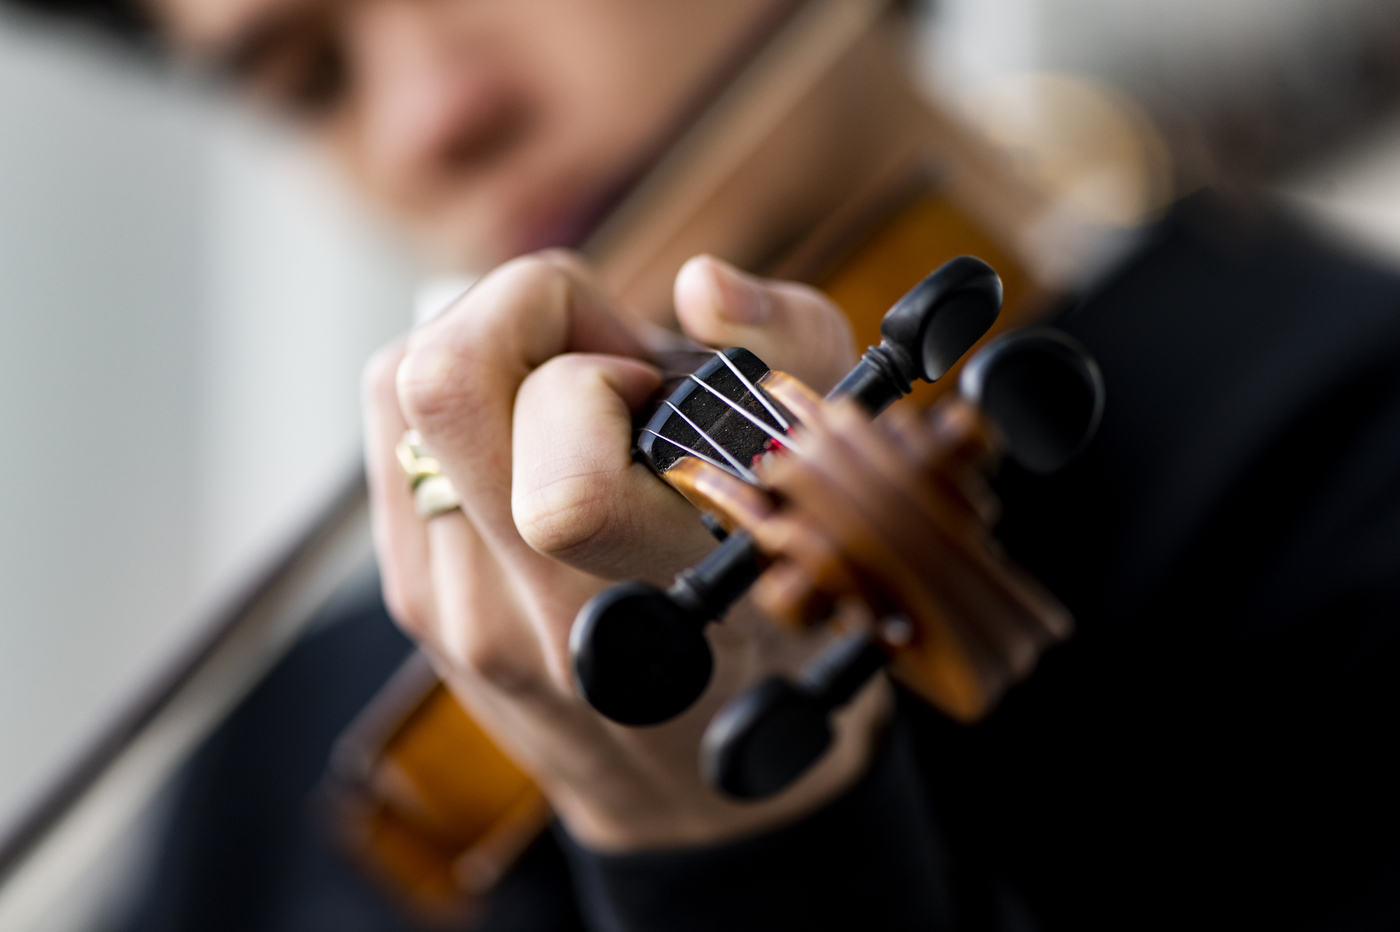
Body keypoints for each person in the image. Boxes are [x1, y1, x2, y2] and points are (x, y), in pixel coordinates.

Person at [8, 0, 1400, 929]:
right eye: (312, 76)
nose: (434, 115)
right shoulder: (307, 760)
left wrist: (739, 851)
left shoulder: (1347, 450)